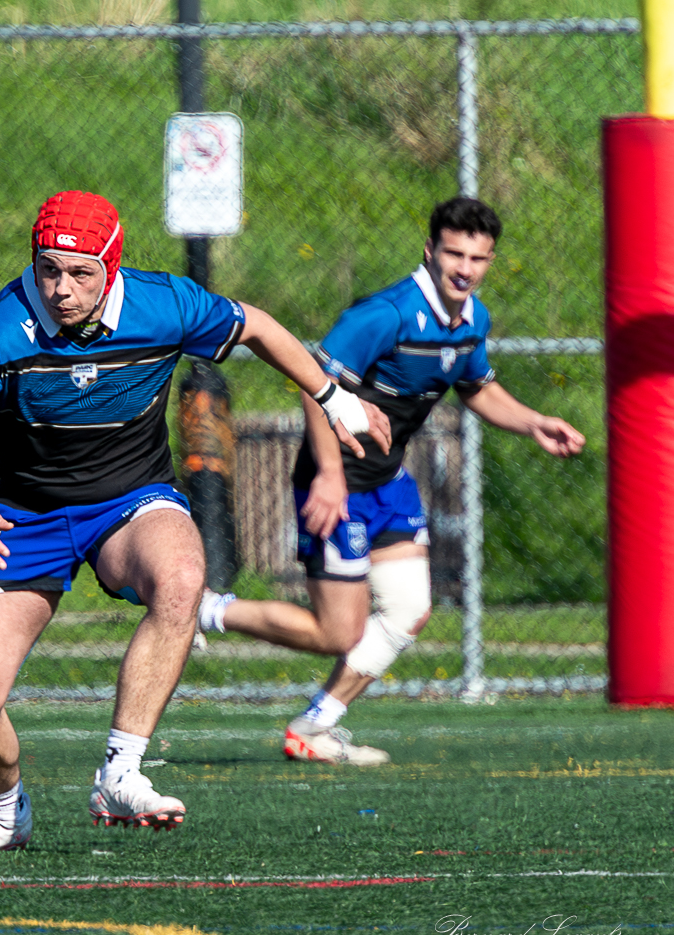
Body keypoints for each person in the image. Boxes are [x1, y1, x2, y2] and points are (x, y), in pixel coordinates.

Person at [0, 190, 391, 854]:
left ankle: (121, 770)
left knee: (182, 576)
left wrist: (333, 397)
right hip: (27, 513)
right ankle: (3, 813)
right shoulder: (0, 323)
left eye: (80, 273)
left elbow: (255, 325)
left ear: (111, 266)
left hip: (129, 501)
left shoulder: (163, 304)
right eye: (48, 269)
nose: (60, 289)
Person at [197, 197, 586, 765]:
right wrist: (329, 474)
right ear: (430, 252)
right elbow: (314, 386)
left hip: (388, 480)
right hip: (335, 482)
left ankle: (314, 726)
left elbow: (476, 387)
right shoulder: (386, 314)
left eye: (479, 258)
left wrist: (534, 423)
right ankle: (205, 612)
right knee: (338, 633)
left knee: (408, 610)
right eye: (455, 253)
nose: (465, 268)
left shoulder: (473, 319)